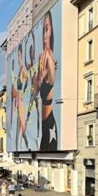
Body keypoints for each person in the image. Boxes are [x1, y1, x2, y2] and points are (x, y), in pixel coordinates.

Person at [36, 10, 58, 151]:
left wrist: (44, 75)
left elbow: (52, 79)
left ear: (51, 32)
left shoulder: (50, 57)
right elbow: (36, 88)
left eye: (47, 29)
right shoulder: (40, 57)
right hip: (43, 122)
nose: (45, 35)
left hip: (49, 121)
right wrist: (39, 77)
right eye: (43, 30)